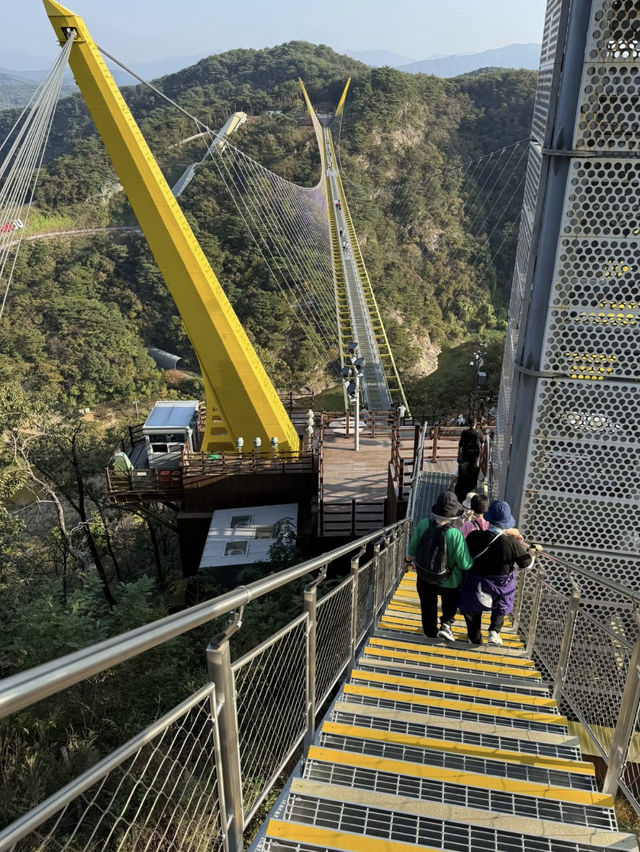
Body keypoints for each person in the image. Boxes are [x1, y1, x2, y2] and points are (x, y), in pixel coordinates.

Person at [459, 500, 534, 646]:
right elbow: (527, 564)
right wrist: (532, 552)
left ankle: (474, 637)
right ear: (507, 523)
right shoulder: (511, 542)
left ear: (489, 519)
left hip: (476, 584)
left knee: (473, 606)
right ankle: (494, 631)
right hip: (500, 586)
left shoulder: (474, 537)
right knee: (503, 598)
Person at [405, 491, 472, 641]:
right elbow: (464, 563)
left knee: (428, 605)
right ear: (454, 515)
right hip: (449, 581)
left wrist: (408, 561)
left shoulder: (423, 524)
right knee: (450, 601)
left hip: (424, 576)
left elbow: (412, 549)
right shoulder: (455, 534)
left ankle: (430, 633)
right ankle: (446, 624)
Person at [455, 419, 483, 502]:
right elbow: (482, 444)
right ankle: (471, 492)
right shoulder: (479, 433)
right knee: (473, 474)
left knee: (463, 473)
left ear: (468, 423)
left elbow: (460, 445)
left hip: (465, 455)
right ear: (475, 424)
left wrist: (459, 454)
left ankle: (461, 493)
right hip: (475, 456)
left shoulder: (465, 432)